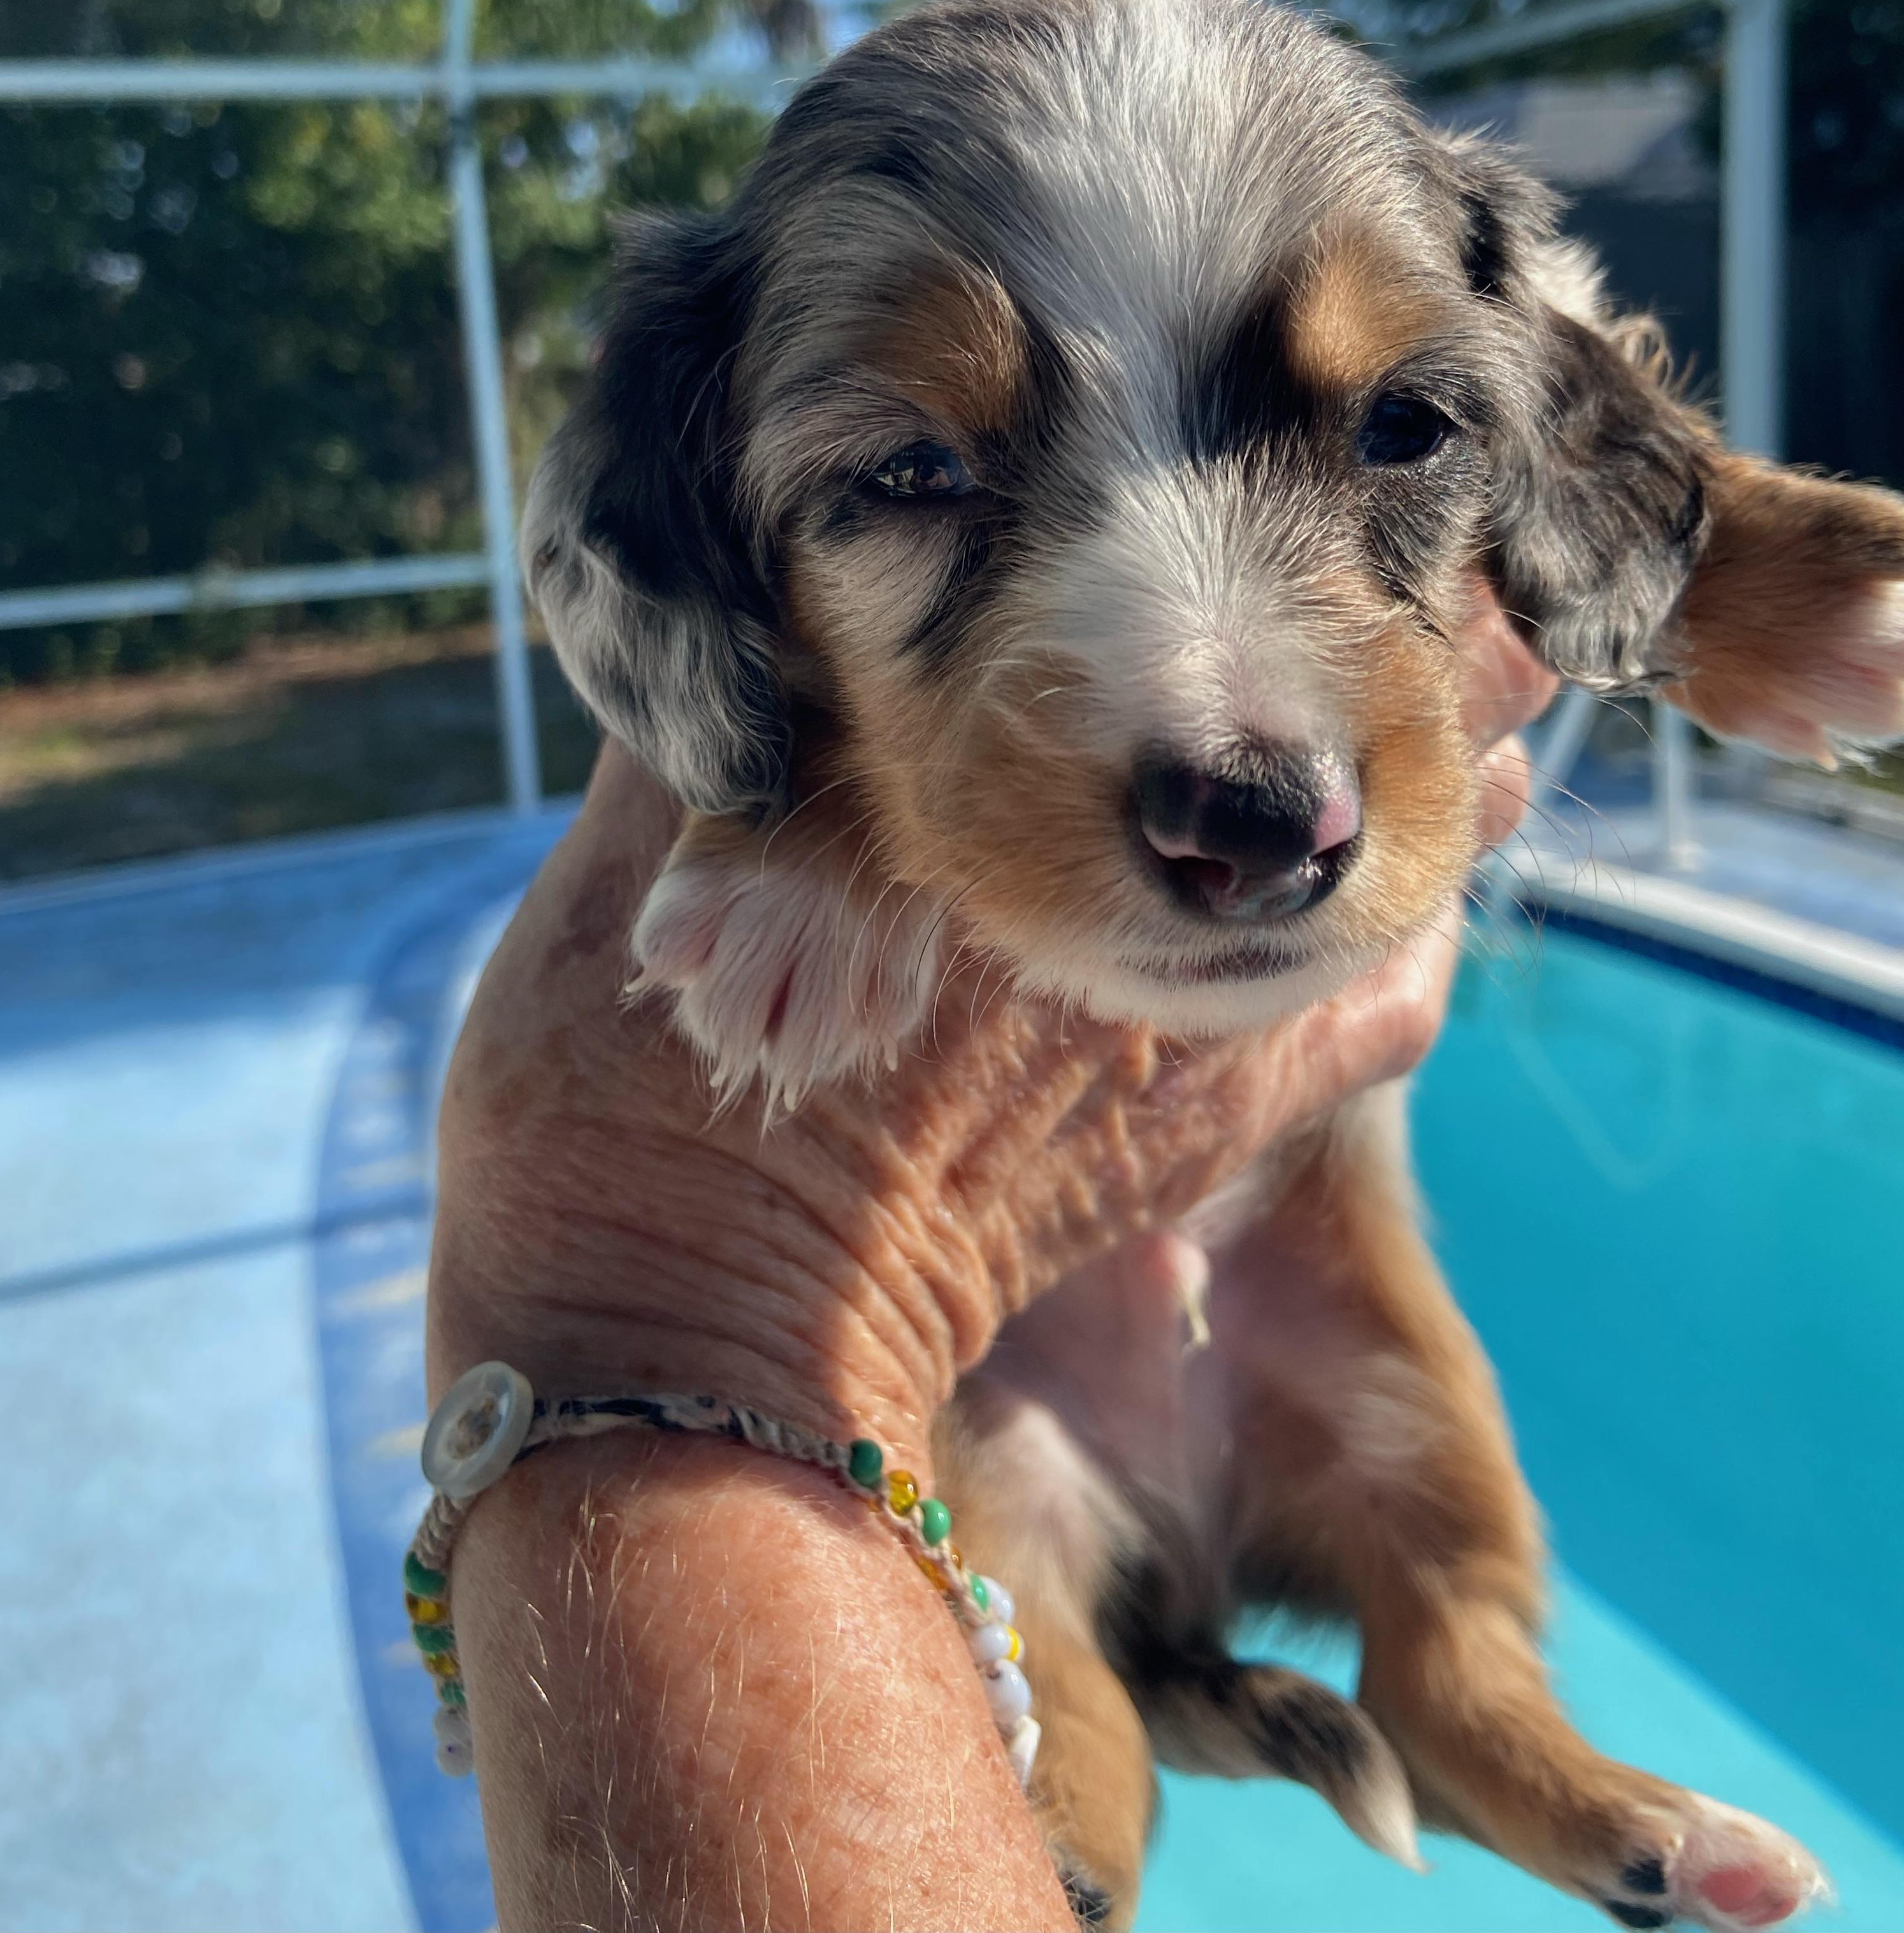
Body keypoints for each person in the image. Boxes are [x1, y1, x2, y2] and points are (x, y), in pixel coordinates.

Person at [426, 598, 1554, 1931]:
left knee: (1415, 1456)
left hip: (1246, 1246)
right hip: (990, 1382)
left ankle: (1447, 1731)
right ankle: (1092, 1804)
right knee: (1056, 1656)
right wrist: (808, 808)